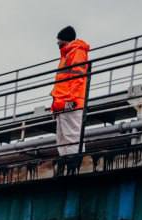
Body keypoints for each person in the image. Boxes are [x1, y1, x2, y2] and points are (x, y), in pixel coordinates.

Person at [52, 26, 90, 157]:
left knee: (72, 136)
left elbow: (77, 78)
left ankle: (74, 163)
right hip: (63, 103)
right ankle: (67, 162)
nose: (58, 43)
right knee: (62, 138)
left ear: (65, 40)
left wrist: (71, 101)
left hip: (70, 102)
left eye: (59, 40)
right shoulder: (68, 54)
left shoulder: (76, 52)